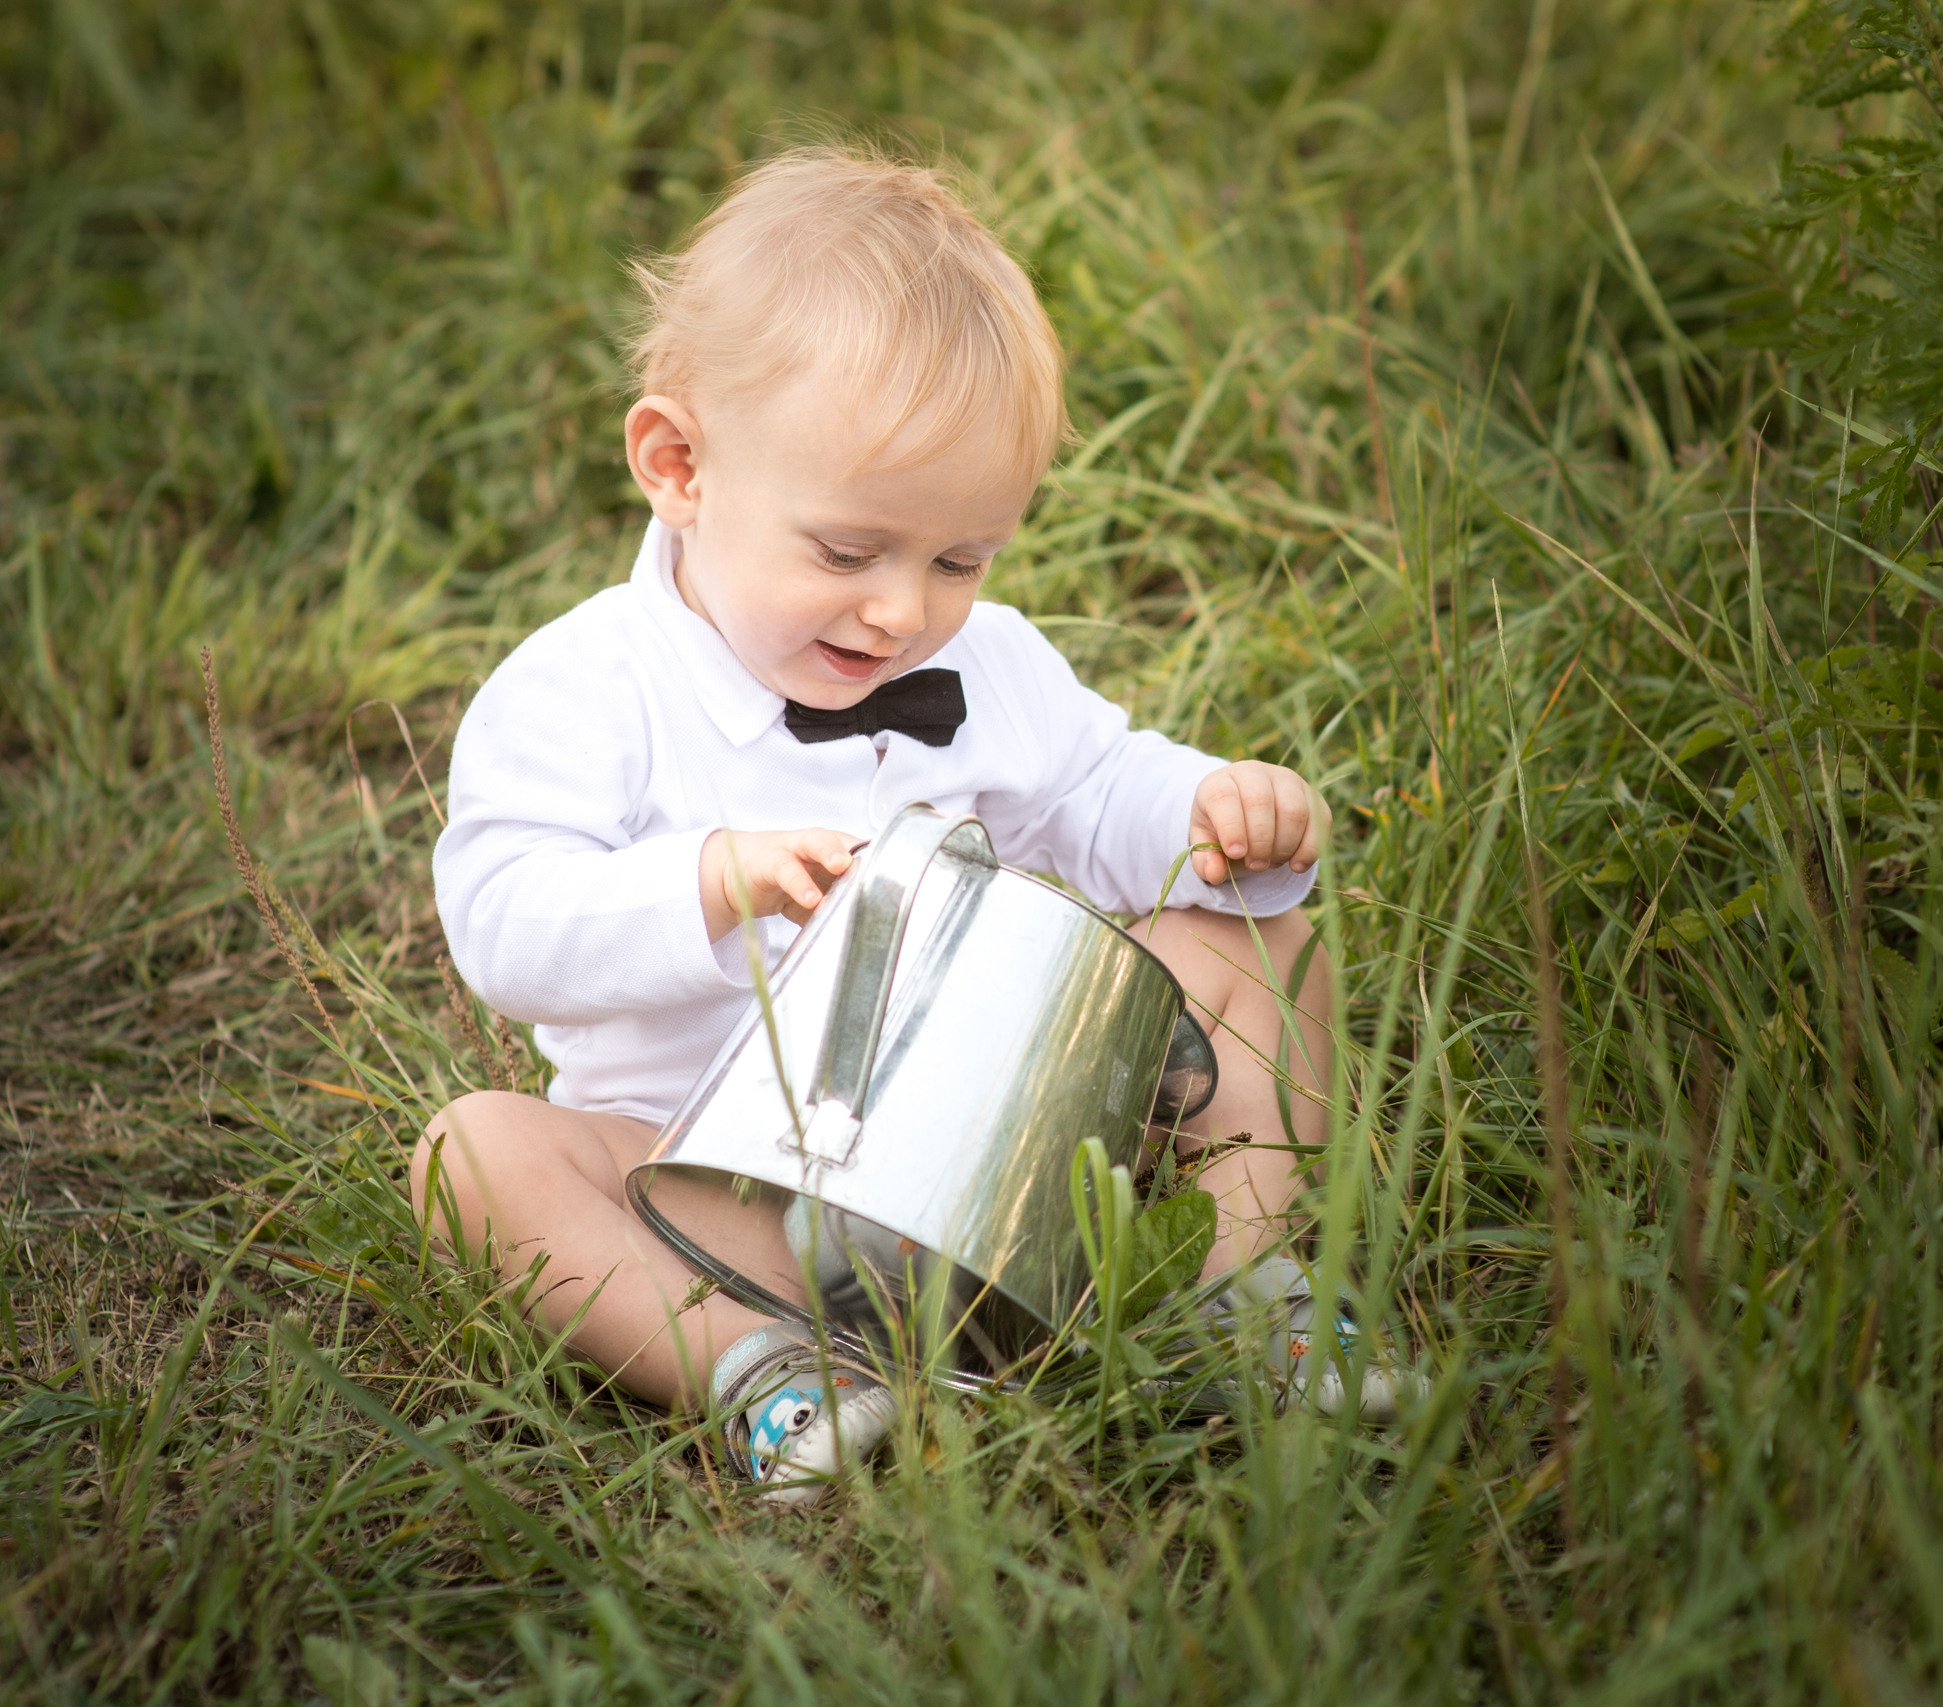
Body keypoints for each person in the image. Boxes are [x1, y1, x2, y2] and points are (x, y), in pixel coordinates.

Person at [412, 146, 1411, 1504]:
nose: (900, 612)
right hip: (711, 1189)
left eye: (958, 560)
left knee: (1261, 941)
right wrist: (707, 883)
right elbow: (505, 924)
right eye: (846, 552)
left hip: (1013, 1164)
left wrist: (1207, 812)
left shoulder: (987, 667)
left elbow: (1097, 793)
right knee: (473, 1157)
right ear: (679, 466)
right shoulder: (582, 690)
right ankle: (759, 1366)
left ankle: (1241, 1292)